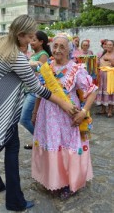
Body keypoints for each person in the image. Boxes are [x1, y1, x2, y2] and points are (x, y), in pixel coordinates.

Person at [0, 15, 76, 211]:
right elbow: (39, 89)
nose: (31, 41)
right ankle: (15, 201)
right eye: (29, 37)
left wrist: (34, 64)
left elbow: (15, 65)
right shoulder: (15, 56)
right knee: (12, 149)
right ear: (20, 35)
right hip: (3, 108)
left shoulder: (1, 42)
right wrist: (64, 104)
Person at [31, 33, 98, 200]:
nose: (58, 49)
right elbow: (41, 92)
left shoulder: (76, 69)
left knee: (67, 148)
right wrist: (34, 112)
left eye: (62, 47)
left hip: (68, 118)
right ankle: (53, 181)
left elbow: (92, 91)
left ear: (70, 50)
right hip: (47, 116)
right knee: (51, 145)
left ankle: (70, 183)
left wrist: (83, 112)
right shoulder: (46, 67)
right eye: (55, 46)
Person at [20, 30, 52, 150]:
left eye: (34, 40)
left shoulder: (43, 55)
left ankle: (42, 140)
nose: (31, 42)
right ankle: (39, 142)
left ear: (41, 42)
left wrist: (29, 65)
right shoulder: (33, 55)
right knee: (34, 120)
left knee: (24, 119)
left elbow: (41, 74)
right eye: (31, 39)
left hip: (35, 91)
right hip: (27, 90)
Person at [95, 40, 114, 117]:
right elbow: (99, 63)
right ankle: (103, 110)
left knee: (110, 92)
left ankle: (110, 111)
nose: (108, 46)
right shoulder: (103, 53)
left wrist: (110, 60)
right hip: (102, 75)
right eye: (107, 45)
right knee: (102, 91)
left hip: (110, 75)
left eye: (110, 45)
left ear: (113, 46)